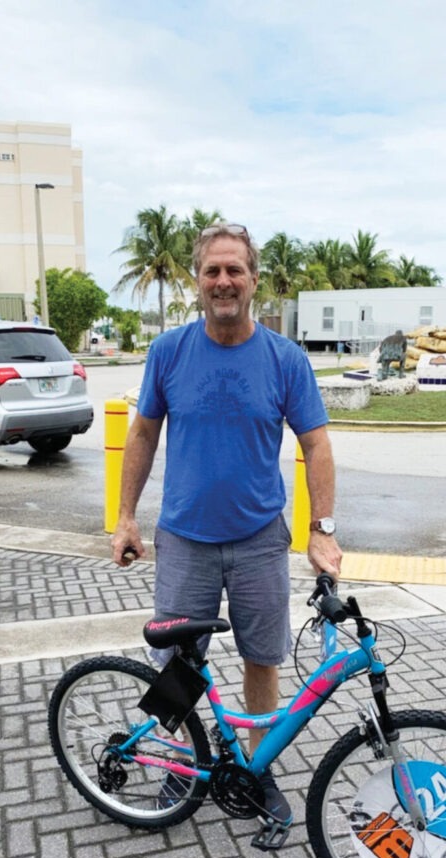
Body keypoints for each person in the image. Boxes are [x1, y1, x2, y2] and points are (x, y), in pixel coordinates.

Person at [112, 222, 342, 826]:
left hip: (260, 540)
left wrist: (322, 527)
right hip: (184, 537)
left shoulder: (284, 359)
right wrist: (125, 517)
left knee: (261, 657)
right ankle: (176, 770)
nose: (223, 281)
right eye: (212, 271)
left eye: (234, 270)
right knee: (178, 665)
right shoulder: (168, 352)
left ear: (253, 280)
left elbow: (316, 445)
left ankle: (255, 768)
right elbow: (141, 433)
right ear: (197, 281)